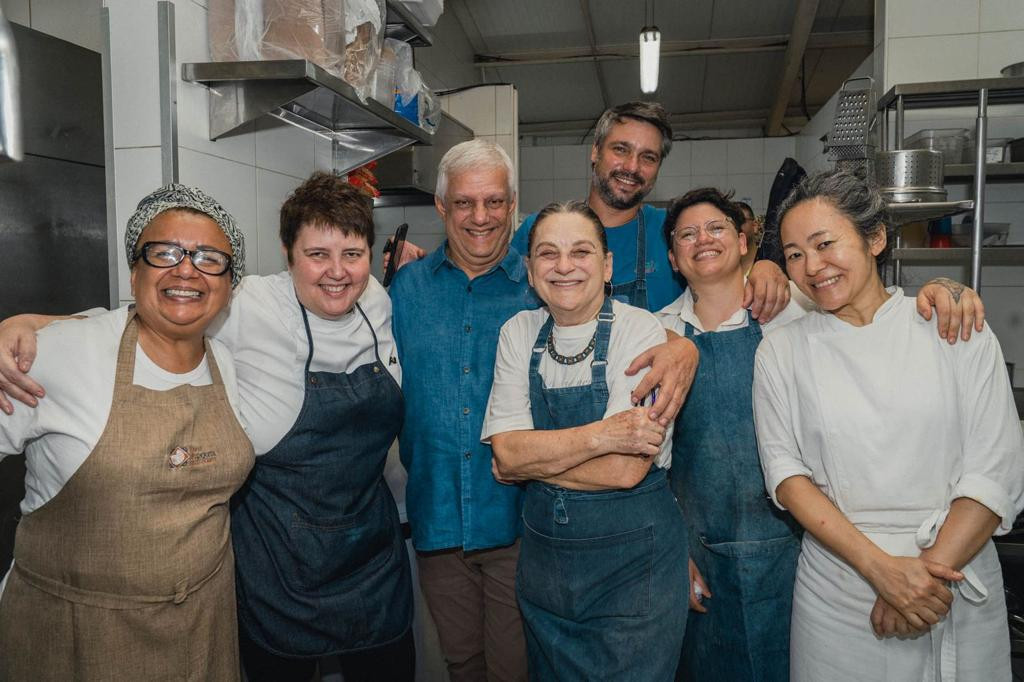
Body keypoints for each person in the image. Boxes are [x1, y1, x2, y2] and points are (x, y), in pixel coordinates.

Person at [0, 173, 415, 681]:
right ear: (287, 255)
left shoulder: (375, 301)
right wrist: (27, 324)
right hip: (275, 568)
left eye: (352, 254)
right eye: (316, 254)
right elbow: (143, 314)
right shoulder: (247, 305)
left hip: (367, 560)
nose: (337, 271)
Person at [389, 139, 696, 682]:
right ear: (440, 207)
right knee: (462, 664)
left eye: (494, 202)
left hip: (519, 527)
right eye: (463, 203)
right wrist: (601, 437)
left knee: (516, 669)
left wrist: (684, 345)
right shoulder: (406, 288)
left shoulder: (542, 285)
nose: (480, 217)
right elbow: (507, 455)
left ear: (512, 206)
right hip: (439, 516)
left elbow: (628, 331)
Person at [656, 187, 984, 682]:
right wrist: (668, 553)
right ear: (672, 258)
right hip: (703, 554)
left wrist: (946, 290)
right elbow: (652, 465)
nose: (703, 239)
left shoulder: (798, 313)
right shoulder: (654, 333)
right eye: (687, 234)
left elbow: (876, 311)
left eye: (716, 228)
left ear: (744, 243)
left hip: (799, 552)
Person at [753, 169, 1024, 681]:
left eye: (825, 244)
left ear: (875, 238)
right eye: (794, 254)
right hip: (841, 589)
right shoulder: (781, 351)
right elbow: (786, 477)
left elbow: (995, 471)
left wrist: (925, 581)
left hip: (952, 575)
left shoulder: (952, 325)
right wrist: (883, 573)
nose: (812, 267)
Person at [0, 185, 254, 680]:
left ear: (229, 286)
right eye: (164, 253)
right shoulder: (58, 354)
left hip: (203, 628)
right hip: (77, 637)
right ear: (135, 272)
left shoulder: (224, 360)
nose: (186, 270)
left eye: (209, 258)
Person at [483, 201, 688, 680]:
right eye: (548, 253)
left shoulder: (641, 330)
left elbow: (625, 469)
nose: (564, 266)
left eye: (581, 252)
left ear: (607, 265)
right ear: (530, 269)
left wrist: (533, 459)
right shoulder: (518, 332)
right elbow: (506, 455)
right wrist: (602, 435)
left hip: (634, 571)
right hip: (545, 575)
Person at [513, 101, 792, 320]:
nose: (632, 167)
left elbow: (721, 278)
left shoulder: (674, 230)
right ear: (595, 151)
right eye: (620, 149)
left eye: (648, 157)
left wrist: (765, 269)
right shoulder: (542, 230)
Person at [733, 200, 760, 275]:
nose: (735, 226)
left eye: (740, 221)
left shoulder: (769, 262)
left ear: (755, 226)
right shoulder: (721, 267)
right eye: (730, 222)